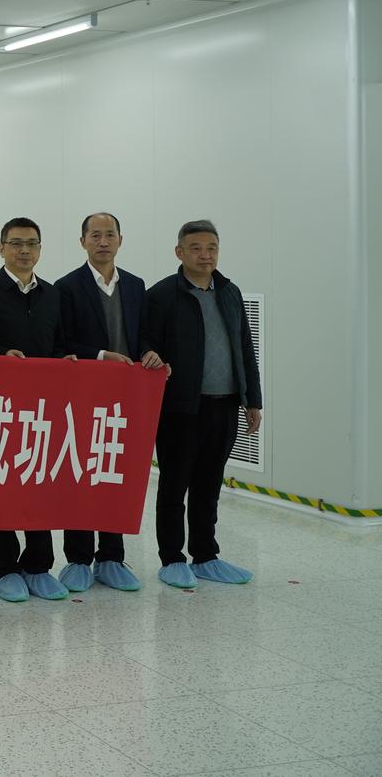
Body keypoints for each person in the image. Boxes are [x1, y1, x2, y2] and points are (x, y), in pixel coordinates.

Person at [142, 220, 262, 588]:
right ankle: (172, 558)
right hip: (179, 407)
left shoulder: (229, 292)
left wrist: (252, 400)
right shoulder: (162, 295)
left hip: (224, 405)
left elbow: (245, 347)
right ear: (179, 252)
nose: (205, 255)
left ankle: (206, 556)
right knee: (174, 485)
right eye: (196, 248)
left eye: (212, 247)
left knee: (209, 485)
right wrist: (149, 355)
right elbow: (146, 344)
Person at [54, 212, 163, 593]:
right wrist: (101, 355)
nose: (103, 241)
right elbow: (62, 343)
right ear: (82, 241)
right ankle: (78, 559)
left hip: (125, 399)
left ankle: (112, 557)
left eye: (110, 235)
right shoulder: (66, 287)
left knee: (117, 474)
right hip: (83, 398)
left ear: (120, 240)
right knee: (80, 474)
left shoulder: (135, 285)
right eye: (95, 235)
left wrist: (149, 352)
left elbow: (143, 334)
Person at [0, 218, 70, 604]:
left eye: (32, 243)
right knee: (1, 488)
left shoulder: (53, 294)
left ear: (40, 249)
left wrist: (66, 361)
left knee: (40, 486)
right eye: (16, 243)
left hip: (42, 410)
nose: (24, 250)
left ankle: (39, 566)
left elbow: (59, 344)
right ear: (1, 248)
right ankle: (6, 569)